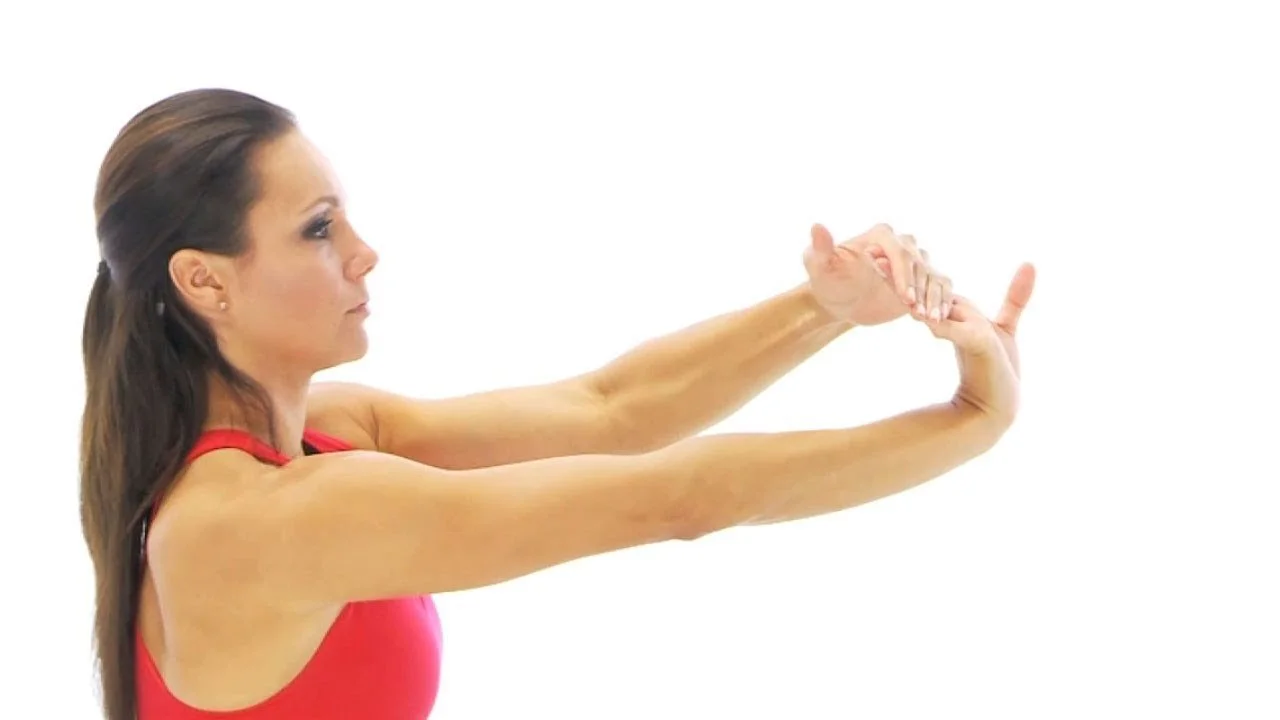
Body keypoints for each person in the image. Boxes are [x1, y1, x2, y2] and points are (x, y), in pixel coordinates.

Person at [80, 87, 1036, 720]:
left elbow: (614, 408)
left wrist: (823, 308)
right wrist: (972, 423)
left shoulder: (330, 434)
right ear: (205, 283)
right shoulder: (255, 522)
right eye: (320, 229)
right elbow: (676, 498)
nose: (365, 253)